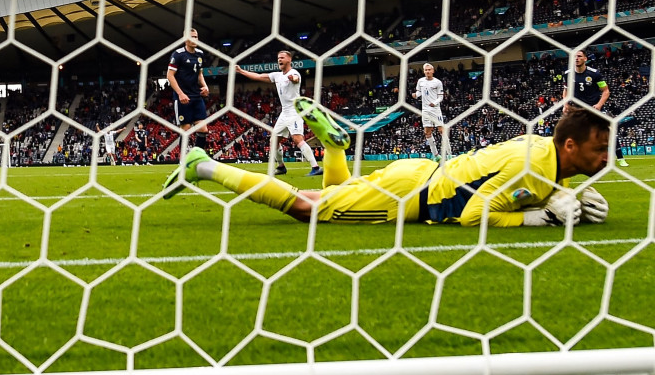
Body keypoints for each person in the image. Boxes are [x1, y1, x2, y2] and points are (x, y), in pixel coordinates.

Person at [163, 99, 610, 228]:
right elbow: (474, 215)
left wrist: (563, 195)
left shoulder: (541, 157)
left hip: (417, 175)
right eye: (599, 148)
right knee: (307, 207)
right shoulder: (531, 168)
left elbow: (514, 188)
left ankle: (334, 148)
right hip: (410, 198)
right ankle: (201, 164)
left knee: (333, 195)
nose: (606, 157)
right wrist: (540, 218)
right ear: (570, 146)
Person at [236, 51, 321, 177]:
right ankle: (281, 167)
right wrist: (241, 71)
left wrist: (293, 79)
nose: (279, 60)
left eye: (282, 57)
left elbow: (296, 79)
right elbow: (259, 76)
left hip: (294, 112)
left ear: (289, 60)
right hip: (284, 113)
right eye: (278, 58)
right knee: (274, 140)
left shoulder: (294, 73)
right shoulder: (277, 75)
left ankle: (316, 167)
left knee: (297, 139)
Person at [562, 49, 628, 167]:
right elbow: (566, 90)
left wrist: (599, 105)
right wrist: (565, 104)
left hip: (595, 108)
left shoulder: (594, 74)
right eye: (574, 57)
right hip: (579, 110)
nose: (576, 58)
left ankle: (620, 158)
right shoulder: (568, 74)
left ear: (585, 59)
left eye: (579, 56)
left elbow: (606, 91)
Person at [166, 28, 210, 152]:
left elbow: (200, 74)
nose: (194, 39)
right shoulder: (178, 54)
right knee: (185, 130)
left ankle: (195, 158)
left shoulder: (200, 54)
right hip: (183, 98)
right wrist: (180, 94)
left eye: (196, 37)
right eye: (192, 37)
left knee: (203, 129)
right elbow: (169, 76)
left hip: (196, 96)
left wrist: (205, 86)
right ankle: (183, 162)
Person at [413, 62, 447, 161]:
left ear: (433, 71)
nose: (427, 71)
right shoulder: (420, 81)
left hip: (435, 109)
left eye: (429, 70)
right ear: (424, 71)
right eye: (426, 70)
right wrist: (416, 95)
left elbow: (441, 97)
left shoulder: (438, 82)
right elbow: (419, 92)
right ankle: (436, 155)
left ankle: (448, 153)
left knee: (442, 130)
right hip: (425, 110)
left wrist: (434, 103)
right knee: (427, 132)